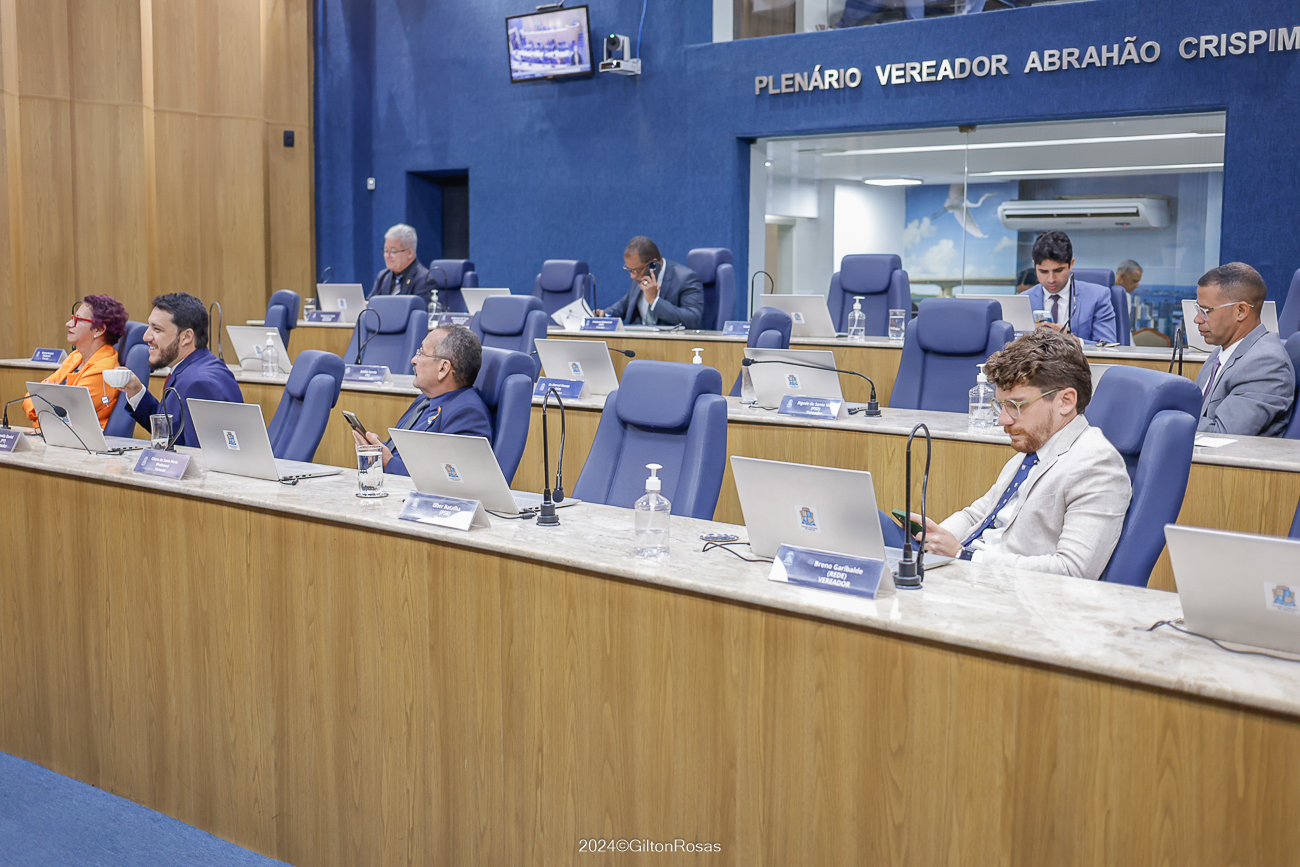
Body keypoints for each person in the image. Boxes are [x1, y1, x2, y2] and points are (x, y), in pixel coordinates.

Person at [914, 330, 1132, 580]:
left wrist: (964, 556)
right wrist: (930, 539)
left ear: (1065, 401)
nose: (1003, 419)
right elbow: (978, 515)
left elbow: (1072, 571)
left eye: (1016, 405)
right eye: (1001, 405)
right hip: (971, 573)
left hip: (1008, 590)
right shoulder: (1035, 447)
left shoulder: (1097, 465)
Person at [352, 324, 491, 477]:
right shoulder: (424, 400)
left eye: (421, 353)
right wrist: (378, 449)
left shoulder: (467, 414)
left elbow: (450, 478)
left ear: (443, 368)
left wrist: (387, 462)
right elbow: (404, 455)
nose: (413, 360)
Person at [119, 292, 244, 447]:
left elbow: (198, 456)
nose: (146, 337)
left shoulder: (200, 383)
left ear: (186, 337)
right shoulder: (190, 369)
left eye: (157, 329)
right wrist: (136, 392)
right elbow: (174, 432)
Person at [1192, 262, 1294, 437]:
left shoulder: (1265, 363)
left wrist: (1163, 419)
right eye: (1198, 309)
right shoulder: (1220, 353)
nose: (1197, 319)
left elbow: (1222, 434)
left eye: (1206, 311)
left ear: (1241, 311)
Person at [23, 295, 130, 429]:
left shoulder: (103, 370)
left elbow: (63, 416)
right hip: (50, 433)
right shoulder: (76, 357)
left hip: (79, 439)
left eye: (78, 320)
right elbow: (29, 397)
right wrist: (43, 405)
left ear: (99, 329)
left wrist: (43, 401)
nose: (69, 324)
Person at [1024, 230, 1117, 343]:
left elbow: (1108, 346)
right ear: (1034, 265)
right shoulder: (1023, 299)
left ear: (1071, 264)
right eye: (1043, 272)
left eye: (1058, 270)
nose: (1051, 279)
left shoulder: (1098, 296)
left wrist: (1071, 340)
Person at [596, 236, 705, 329]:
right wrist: (605, 314)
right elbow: (624, 305)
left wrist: (654, 301)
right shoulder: (640, 277)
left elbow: (693, 319)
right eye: (629, 269)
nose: (632, 276)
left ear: (654, 264)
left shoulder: (686, 278)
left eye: (636, 270)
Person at [369, 223, 432, 308]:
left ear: (410, 253)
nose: (387, 256)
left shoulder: (424, 279)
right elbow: (370, 304)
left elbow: (421, 311)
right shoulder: (384, 276)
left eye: (393, 251)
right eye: (386, 251)